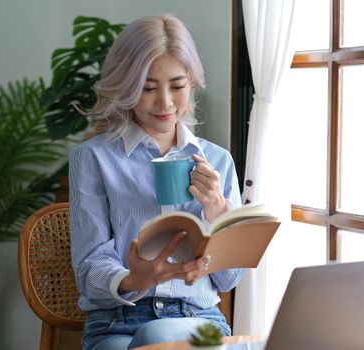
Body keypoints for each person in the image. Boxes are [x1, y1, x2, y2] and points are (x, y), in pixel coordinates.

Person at [69, 14, 243, 350]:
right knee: (152, 340)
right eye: (148, 88)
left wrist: (217, 209)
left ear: (191, 83)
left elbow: (228, 279)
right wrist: (133, 279)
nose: (164, 102)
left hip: (198, 318)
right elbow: (89, 267)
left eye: (177, 86)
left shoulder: (217, 161)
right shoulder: (93, 158)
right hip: (116, 323)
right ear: (125, 86)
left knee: (159, 338)